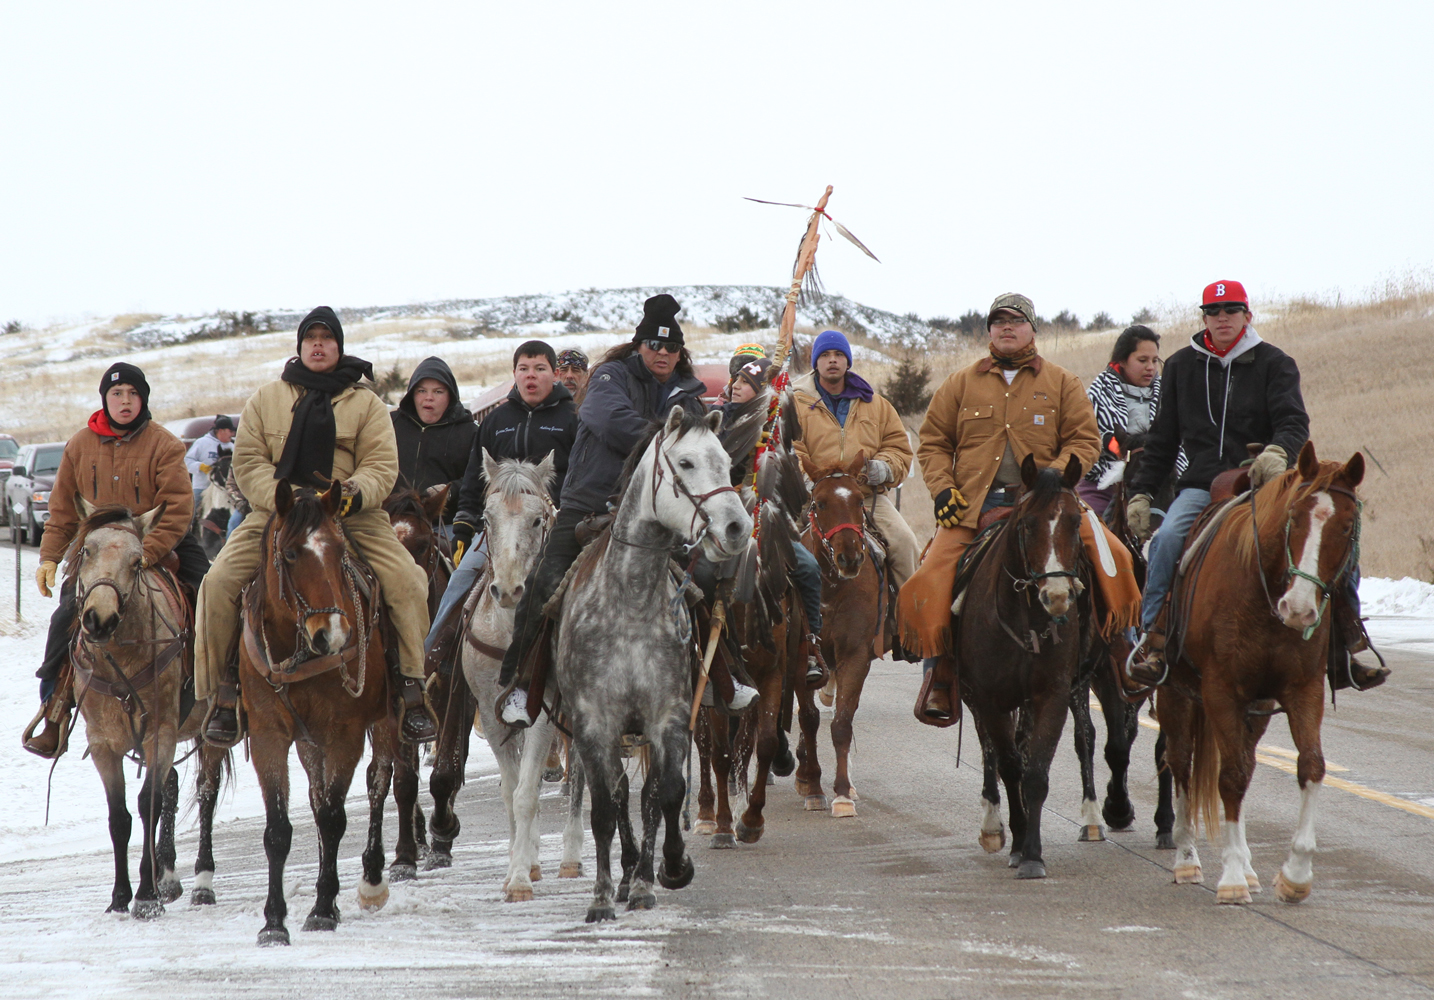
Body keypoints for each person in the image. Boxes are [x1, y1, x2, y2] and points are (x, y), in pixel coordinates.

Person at [495, 294, 754, 726]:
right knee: (544, 579)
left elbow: (702, 448)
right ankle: (522, 684)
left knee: (704, 579)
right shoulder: (608, 378)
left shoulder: (687, 393)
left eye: (672, 348)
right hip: (590, 502)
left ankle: (721, 677)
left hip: (661, 516)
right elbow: (609, 420)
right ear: (640, 346)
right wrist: (669, 447)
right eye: (655, 345)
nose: (664, 354)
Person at [194, 307, 438, 745]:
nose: (319, 345)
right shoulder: (266, 399)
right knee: (217, 583)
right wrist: (282, 501)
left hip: (351, 516)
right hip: (276, 515)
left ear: (339, 347)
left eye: (327, 338)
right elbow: (248, 462)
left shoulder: (366, 404)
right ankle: (221, 694)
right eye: (312, 338)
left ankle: (409, 687)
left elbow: (381, 465)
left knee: (408, 581)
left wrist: (348, 495)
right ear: (301, 346)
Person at [1124, 281, 1384, 691]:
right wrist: (1142, 491)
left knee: (1333, 536)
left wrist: (1278, 452)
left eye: (1231, 309)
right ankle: (1153, 641)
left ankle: (1346, 643)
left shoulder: (1275, 363)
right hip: (1201, 485)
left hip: (1268, 483)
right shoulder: (1179, 367)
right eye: (1214, 310)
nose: (1222, 317)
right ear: (1204, 317)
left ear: (1248, 315)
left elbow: (1294, 421)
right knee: (1168, 539)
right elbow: (1162, 439)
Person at [897, 294, 1104, 721]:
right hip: (975, 506)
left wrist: (1054, 479)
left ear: (1033, 329)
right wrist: (942, 491)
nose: (1006, 327)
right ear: (989, 330)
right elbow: (934, 443)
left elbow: (1085, 440)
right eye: (998, 321)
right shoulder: (959, 383)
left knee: (1112, 560)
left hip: (1047, 503)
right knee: (932, 577)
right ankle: (940, 675)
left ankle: (1118, 657)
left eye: (1016, 320)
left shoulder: (1063, 382)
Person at [22, 363, 207, 758]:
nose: (125, 401)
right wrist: (51, 558)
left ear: (144, 399)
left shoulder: (165, 443)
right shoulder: (79, 445)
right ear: (105, 399)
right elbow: (61, 513)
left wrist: (149, 552)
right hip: (96, 550)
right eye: (117, 393)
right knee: (65, 616)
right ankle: (55, 709)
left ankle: (222, 691)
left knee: (208, 594)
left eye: (133, 394)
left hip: (160, 541)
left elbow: (177, 509)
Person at [425, 341, 578, 654]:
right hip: (495, 528)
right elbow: (473, 474)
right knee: (462, 578)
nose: (530, 376)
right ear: (515, 374)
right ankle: (437, 655)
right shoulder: (498, 420)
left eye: (539, 368)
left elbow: (582, 473)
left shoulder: (573, 418)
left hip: (554, 528)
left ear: (555, 373)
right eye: (524, 369)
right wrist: (465, 524)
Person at [717, 356, 826, 684]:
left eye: (745, 384)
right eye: (735, 381)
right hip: (723, 520)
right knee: (698, 570)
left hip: (769, 521)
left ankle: (811, 645)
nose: (735, 387)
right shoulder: (718, 419)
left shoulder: (777, 427)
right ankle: (689, 645)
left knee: (807, 568)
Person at [791, 330, 921, 589]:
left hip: (864, 496)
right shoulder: (793, 402)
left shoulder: (876, 404)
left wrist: (882, 468)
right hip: (810, 497)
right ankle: (778, 623)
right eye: (825, 355)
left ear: (848, 361)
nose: (832, 360)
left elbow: (897, 446)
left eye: (839, 354)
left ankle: (908, 619)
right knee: (774, 548)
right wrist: (804, 478)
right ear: (815, 362)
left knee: (906, 544)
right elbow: (789, 448)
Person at [1079, 326, 1186, 516]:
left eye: (1155, 360)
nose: (1151, 367)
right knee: (1088, 526)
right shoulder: (1096, 395)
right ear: (1122, 360)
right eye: (1142, 360)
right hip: (1105, 481)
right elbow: (1089, 439)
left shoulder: (1170, 392)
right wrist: (1115, 446)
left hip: (1164, 480)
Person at [390, 356, 476, 525]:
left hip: (445, 525)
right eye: (421, 391)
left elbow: (476, 478)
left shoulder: (469, 432)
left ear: (450, 396)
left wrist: (448, 491)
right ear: (412, 394)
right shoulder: (389, 424)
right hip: (389, 522)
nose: (429, 398)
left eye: (438, 392)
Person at [185, 414, 235, 522]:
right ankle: (189, 533)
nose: (232, 434)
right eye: (230, 431)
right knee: (191, 513)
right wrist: (199, 466)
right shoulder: (201, 443)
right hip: (202, 487)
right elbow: (186, 461)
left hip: (226, 490)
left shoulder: (232, 447)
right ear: (221, 431)